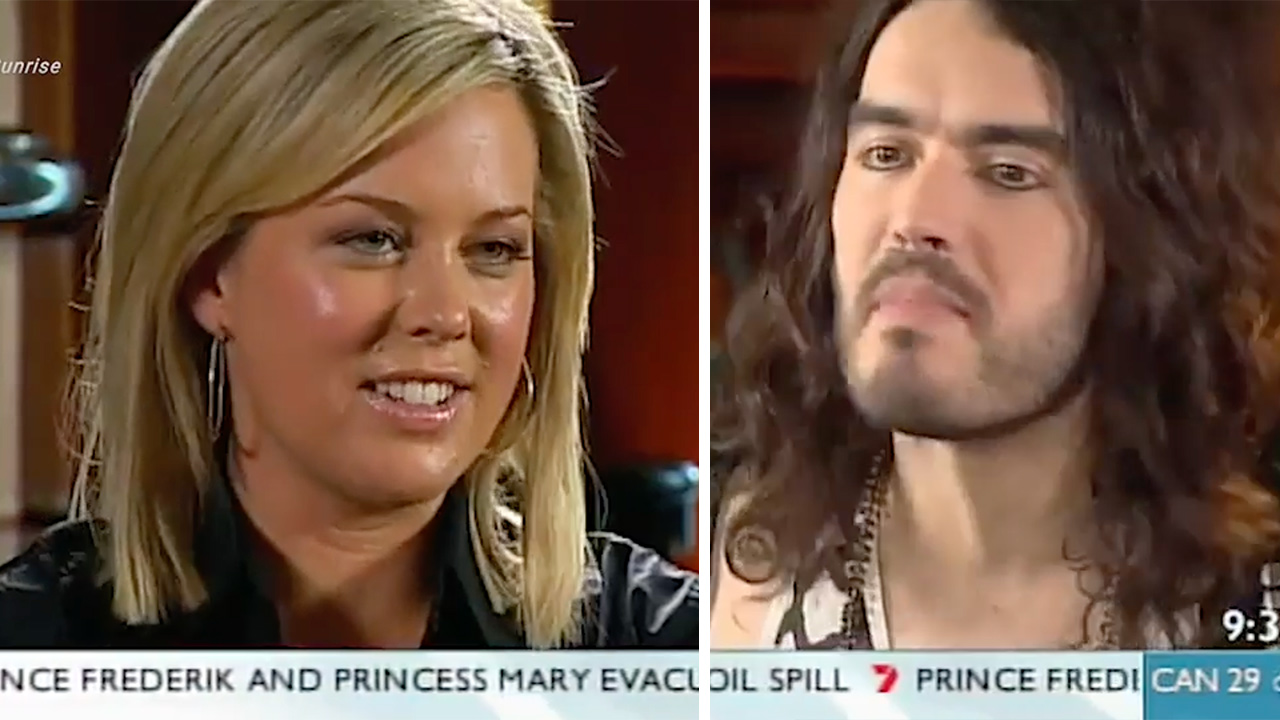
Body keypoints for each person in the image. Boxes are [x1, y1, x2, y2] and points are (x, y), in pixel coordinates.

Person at [0, 0, 697, 649]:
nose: (444, 315)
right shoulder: (34, 651)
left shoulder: (677, 660)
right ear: (207, 276)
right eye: (373, 240)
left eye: (493, 249)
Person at [711, 0, 1280, 650]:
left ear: (1149, 235)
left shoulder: (1251, 613)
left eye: (1009, 173)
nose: (914, 219)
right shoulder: (758, 567)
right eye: (886, 154)